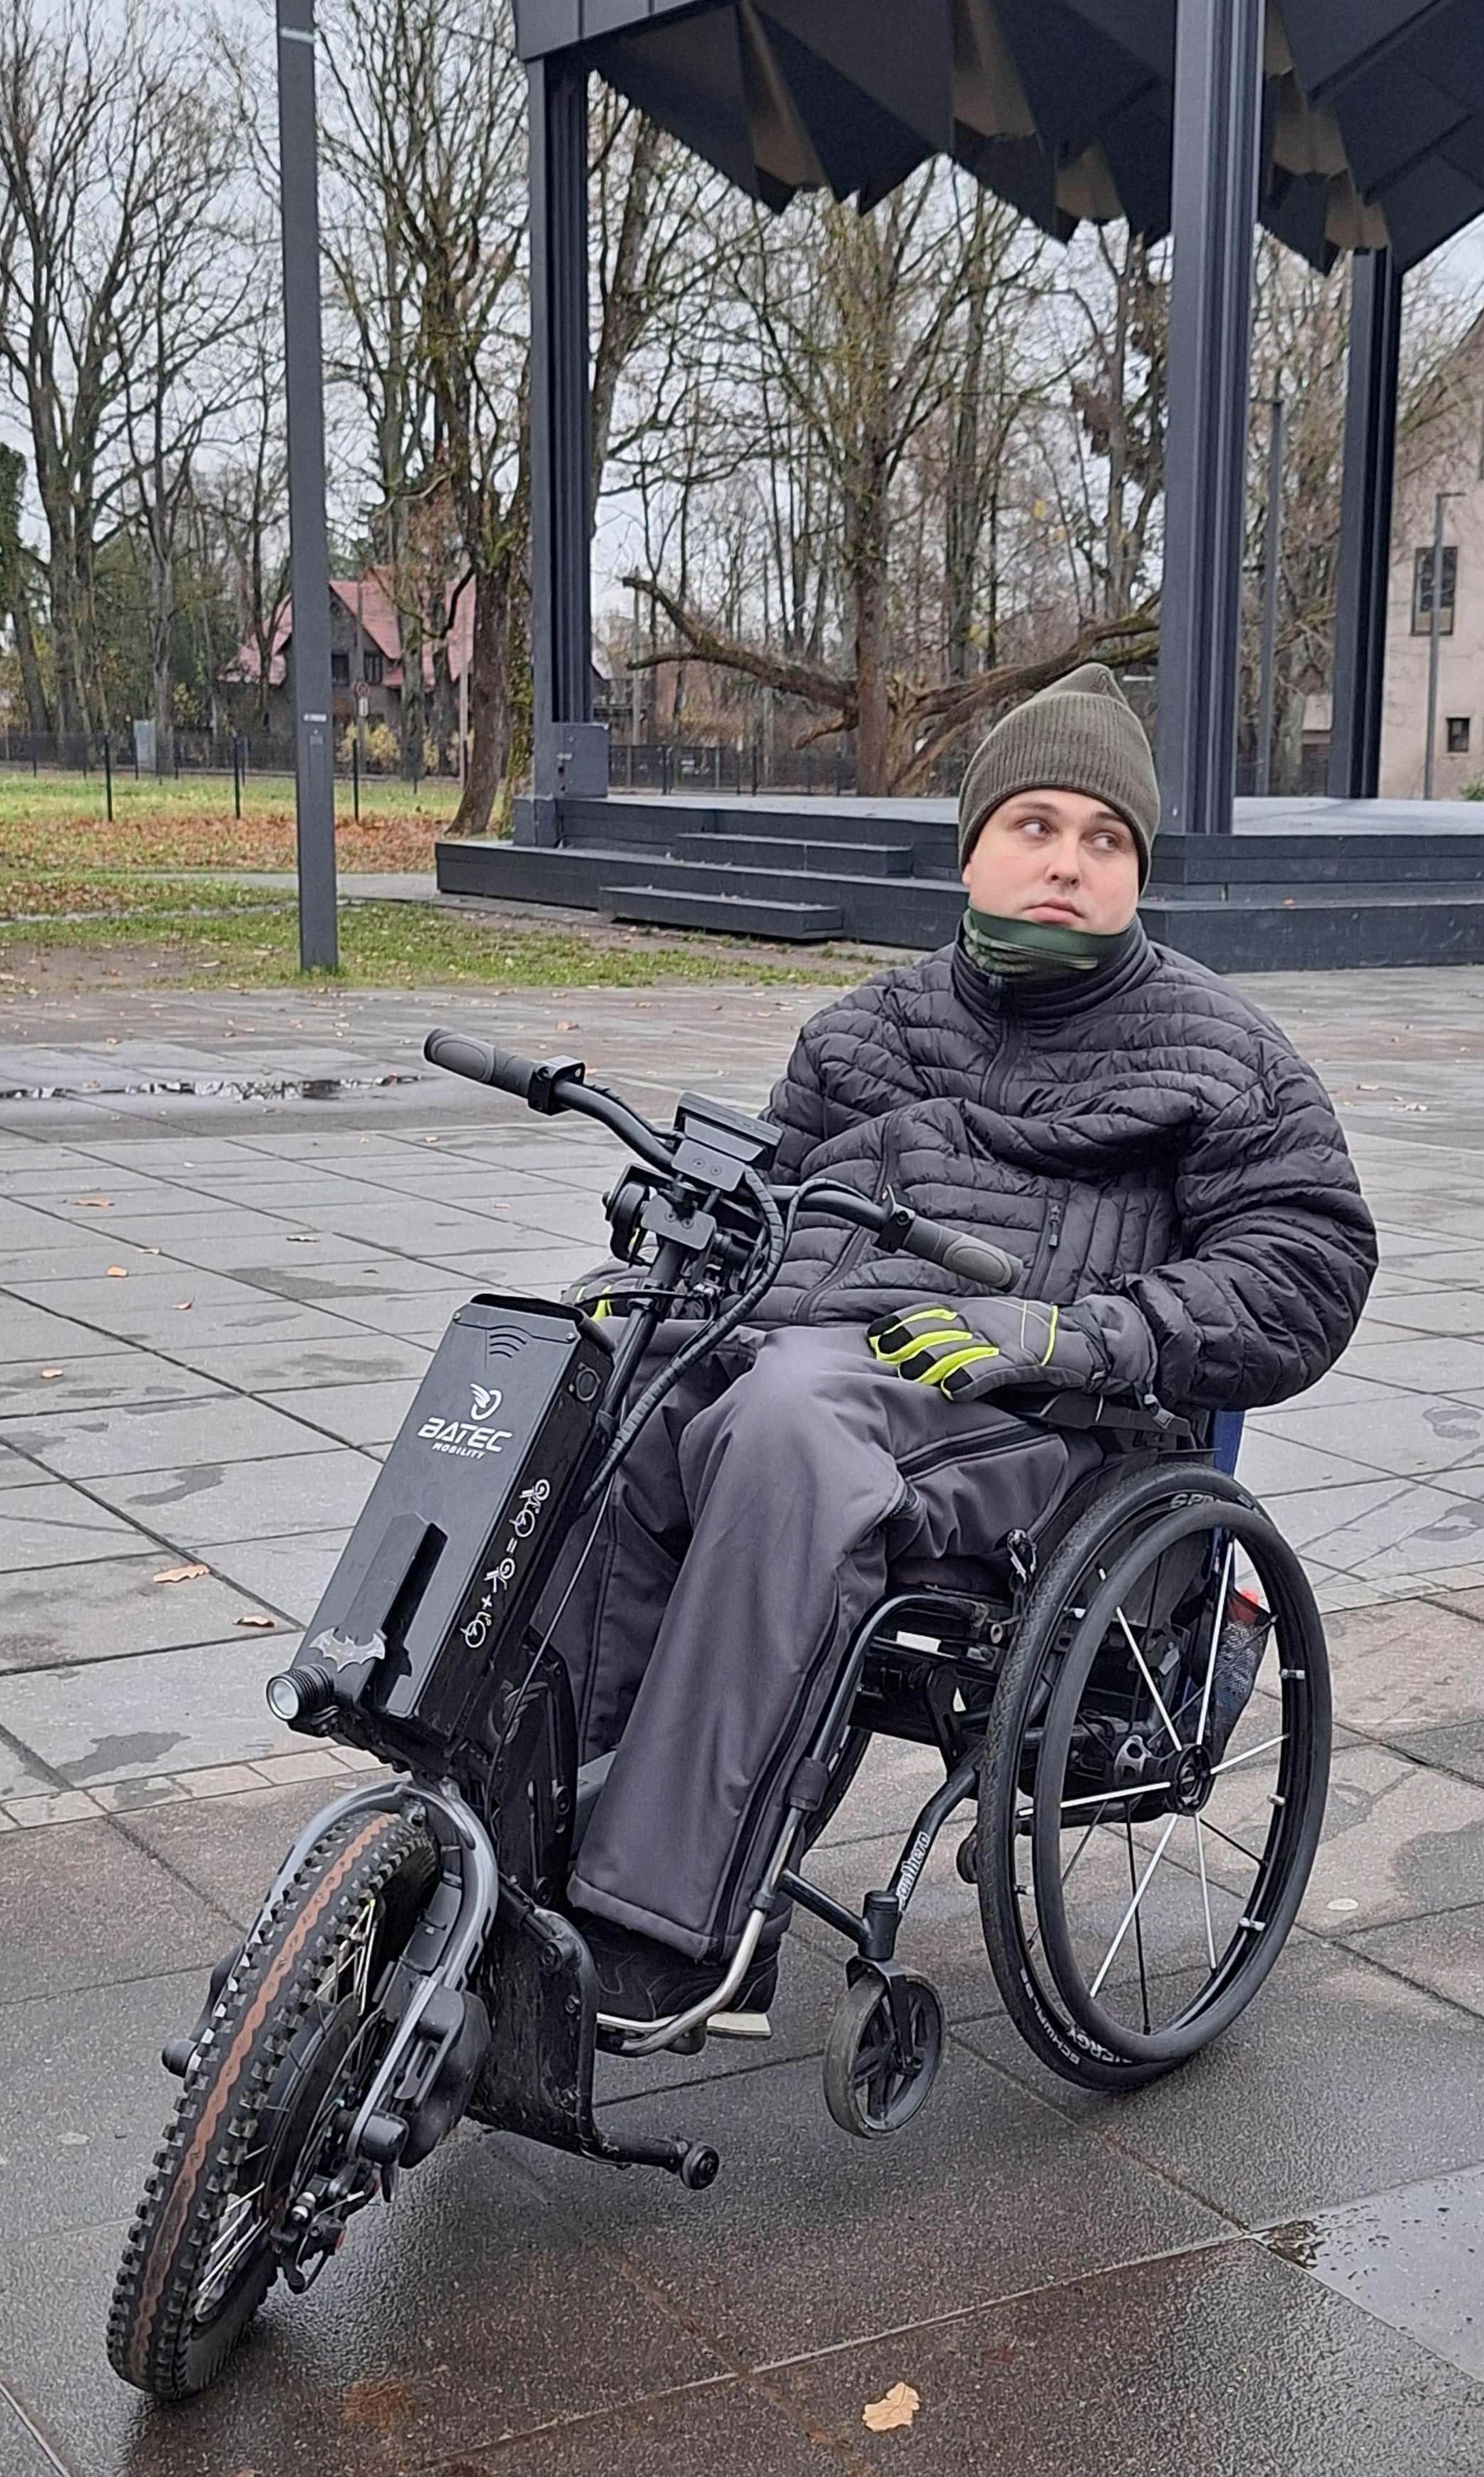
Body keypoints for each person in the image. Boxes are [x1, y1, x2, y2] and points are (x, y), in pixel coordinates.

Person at [547, 662, 1377, 2024]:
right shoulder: (862, 1030)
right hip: (817, 1367)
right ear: (975, 846)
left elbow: (1304, 1272)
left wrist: (1075, 1334)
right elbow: (769, 1219)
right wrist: (671, 1249)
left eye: (1103, 840)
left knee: (792, 1423)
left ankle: (667, 1925)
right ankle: (529, 1829)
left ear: (1136, 871)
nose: (1067, 863)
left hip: (1052, 1433)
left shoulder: (1225, 1058)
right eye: (1034, 826)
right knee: (606, 1390)